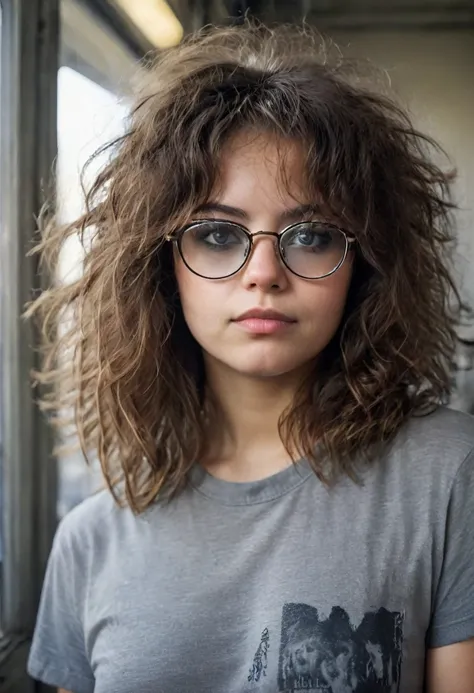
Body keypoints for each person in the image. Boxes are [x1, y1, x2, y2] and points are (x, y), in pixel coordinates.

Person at [26, 21, 474, 693]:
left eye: (312, 234)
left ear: (367, 262)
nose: (264, 271)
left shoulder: (448, 477)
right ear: (160, 266)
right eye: (215, 234)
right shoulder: (91, 540)